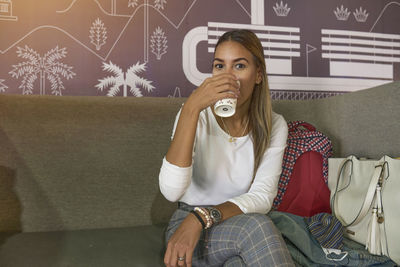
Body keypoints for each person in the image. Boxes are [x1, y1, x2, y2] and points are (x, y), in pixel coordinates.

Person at [159, 29, 294, 267]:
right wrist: (191, 109)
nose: (227, 76)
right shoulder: (195, 115)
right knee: (258, 227)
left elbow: (262, 197)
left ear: (258, 75)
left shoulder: (275, 125)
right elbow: (171, 192)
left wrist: (202, 217)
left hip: (229, 221)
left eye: (239, 66)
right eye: (220, 66)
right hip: (188, 226)